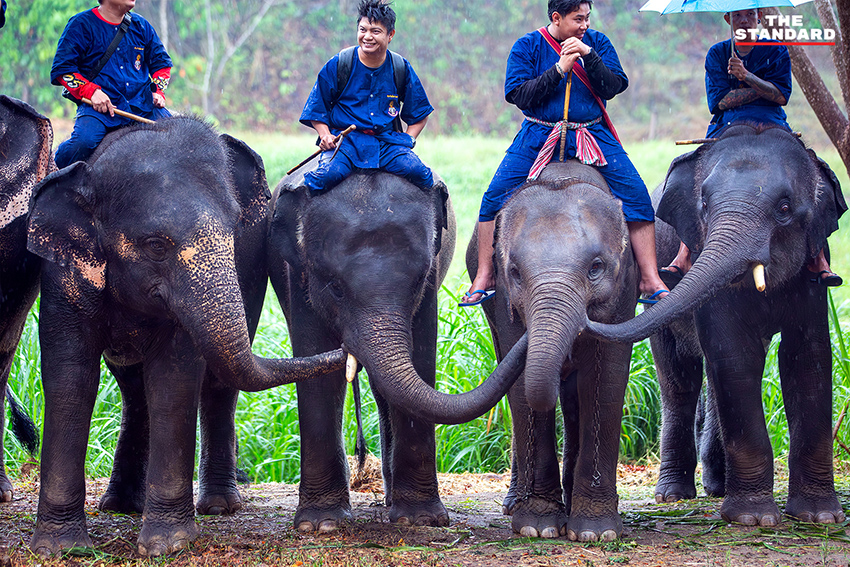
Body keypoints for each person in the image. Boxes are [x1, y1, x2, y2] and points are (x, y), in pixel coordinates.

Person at [464, 0, 669, 306]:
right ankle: (484, 274)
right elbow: (520, 95)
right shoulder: (528, 46)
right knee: (494, 196)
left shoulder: (597, 43)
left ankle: (650, 278)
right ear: (557, 18)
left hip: (592, 132)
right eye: (578, 19)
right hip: (538, 132)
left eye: (587, 18)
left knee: (637, 194)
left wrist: (589, 58)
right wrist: (559, 70)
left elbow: (612, 87)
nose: (584, 25)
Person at [663, 8, 842, 286]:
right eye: (737, 16)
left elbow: (781, 96)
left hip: (772, 126)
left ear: (758, 18)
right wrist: (762, 89)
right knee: (693, 175)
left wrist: (745, 76)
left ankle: (816, 255)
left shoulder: (776, 50)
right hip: (727, 128)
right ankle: (684, 251)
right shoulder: (718, 54)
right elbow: (719, 103)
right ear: (728, 20)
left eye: (749, 15)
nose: (743, 21)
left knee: (811, 172)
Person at [299, 0, 435, 194]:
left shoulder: (400, 67)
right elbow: (317, 107)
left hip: (386, 144)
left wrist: (409, 139)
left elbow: (420, 112)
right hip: (346, 143)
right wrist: (325, 135)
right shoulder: (339, 63)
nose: (367, 36)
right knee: (323, 178)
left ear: (390, 35)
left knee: (421, 174)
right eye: (363, 30)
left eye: (376, 31)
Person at [51, 0, 172, 169]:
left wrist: (158, 91)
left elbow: (162, 65)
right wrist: (91, 92)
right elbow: (64, 70)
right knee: (82, 144)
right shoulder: (81, 24)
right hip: (100, 110)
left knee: (179, 136)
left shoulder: (141, 25)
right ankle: (49, 173)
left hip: (144, 105)